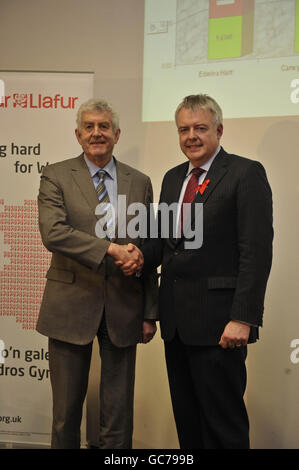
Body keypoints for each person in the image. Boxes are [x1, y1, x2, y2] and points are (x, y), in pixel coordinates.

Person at [121, 94, 273, 449]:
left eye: (200, 128)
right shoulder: (174, 178)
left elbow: (256, 252)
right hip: (176, 324)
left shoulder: (245, 173)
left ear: (218, 130)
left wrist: (243, 317)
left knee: (223, 427)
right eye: (184, 129)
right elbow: (162, 243)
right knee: (188, 424)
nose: (192, 136)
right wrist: (137, 256)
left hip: (221, 325)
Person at [36, 98, 158, 449]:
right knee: (65, 415)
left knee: (119, 417)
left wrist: (150, 312)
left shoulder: (140, 181)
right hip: (69, 305)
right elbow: (53, 233)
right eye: (89, 126)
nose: (96, 133)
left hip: (124, 307)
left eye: (104, 126)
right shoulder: (56, 175)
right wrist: (111, 249)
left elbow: (147, 247)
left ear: (117, 134)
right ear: (78, 135)